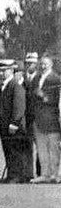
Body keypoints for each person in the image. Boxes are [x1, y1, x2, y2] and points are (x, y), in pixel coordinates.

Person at [0, 60, 31, 183]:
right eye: (0, 71)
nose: (1, 73)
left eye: (4, 71)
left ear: (11, 71)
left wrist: (14, 123)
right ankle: (11, 175)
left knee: (14, 151)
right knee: (8, 151)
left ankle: (16, 176)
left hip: (14, 127)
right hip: (4, 126)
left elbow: (19, 107)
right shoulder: (4, 86)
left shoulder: (15, 86)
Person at [30, 55, 61, 183]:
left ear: (51, 65)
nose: (43, 66)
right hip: (38, 120)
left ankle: (55, 174)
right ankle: (45, 174)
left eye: (45, 64)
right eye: (41, 64)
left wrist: (43, 95)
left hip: (52, 120)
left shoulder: (56, 79)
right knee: (41, 150)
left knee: (53, 149)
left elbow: (55, 100)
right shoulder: (36, 78)